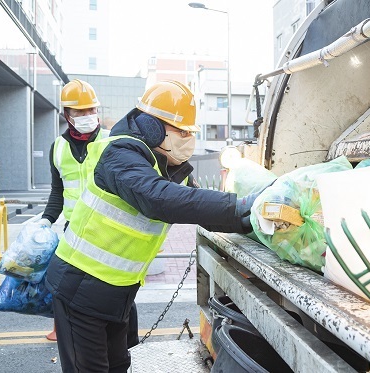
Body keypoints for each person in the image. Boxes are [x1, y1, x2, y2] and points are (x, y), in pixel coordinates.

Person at [45, 80, 262, 372]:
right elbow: (158, 198)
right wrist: (239, 205)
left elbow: (204, 210)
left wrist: (257, 218)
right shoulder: (120, 155)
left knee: (119, 364)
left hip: (117, 293)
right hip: (80, 289)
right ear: (152, 127)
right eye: (182, 131)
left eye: (190, 133)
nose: (187, 139)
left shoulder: (171, 168)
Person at [38, 79, 108, 341]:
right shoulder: (58, 147)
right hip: (72, 230)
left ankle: (111, 338)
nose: (89, 116)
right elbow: (58, 189)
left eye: (92, 110)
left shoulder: (111, 141)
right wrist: (46, 220)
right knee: (63, 286)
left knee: (107, 289)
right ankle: (64, 331)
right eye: (81, 112)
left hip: (106, 229)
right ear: (67, 114)